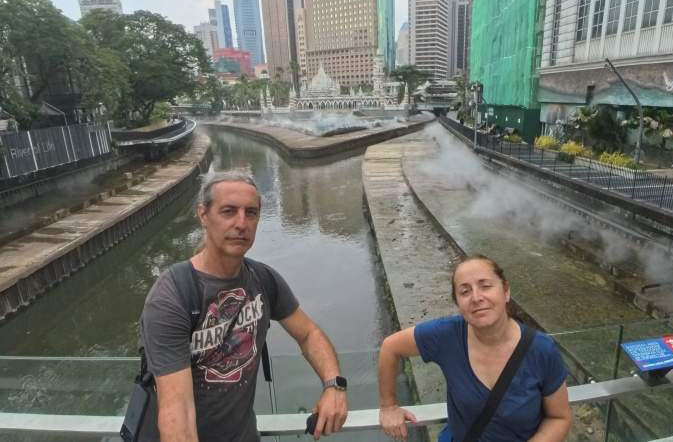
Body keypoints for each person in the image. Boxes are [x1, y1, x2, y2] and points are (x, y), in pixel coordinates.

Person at [139, 170, 348, 441]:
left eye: (251, 213)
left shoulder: (262, 279)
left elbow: (309, 334)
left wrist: (334, 385)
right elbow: (177, 412)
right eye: (228, 211)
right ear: (203, 215)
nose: (242, 223)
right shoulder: (172, 296)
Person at [378, 255, 571, 442]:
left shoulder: (541, 349)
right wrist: (388, 406)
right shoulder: (447, 335)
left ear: (506, 291)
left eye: (485, 286)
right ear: (458, 303)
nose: (476, 297)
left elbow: (559, 418)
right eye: (464, 292)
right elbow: (390, 347)